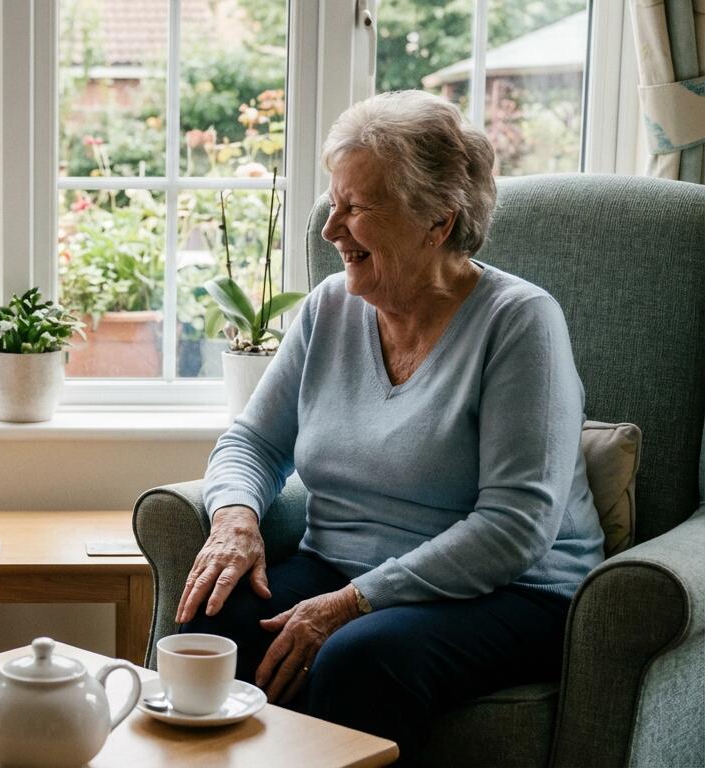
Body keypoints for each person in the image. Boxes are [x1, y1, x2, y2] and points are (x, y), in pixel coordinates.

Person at [177, 90, 603, 762]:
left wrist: (354, 602)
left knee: (361, 658)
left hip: (513, 592)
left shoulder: (521, 323)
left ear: (437, 221)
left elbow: (515, 527)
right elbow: (254, 442)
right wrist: (236, 518)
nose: (329, 229)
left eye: (356, 207)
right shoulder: (329, 310)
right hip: (342, 563)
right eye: (333, 201)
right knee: (211, 619)